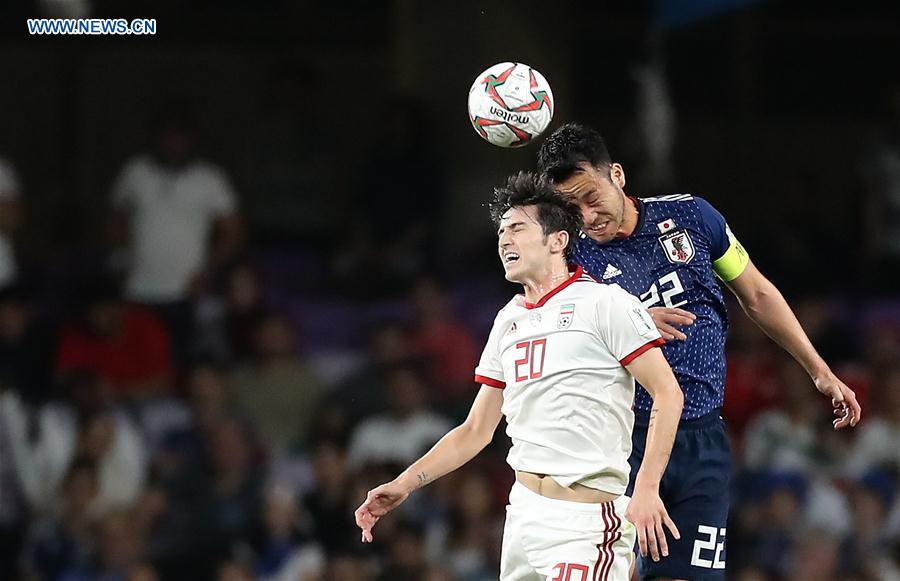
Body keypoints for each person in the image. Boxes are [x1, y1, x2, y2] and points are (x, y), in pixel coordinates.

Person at [537, 122, 862, 580]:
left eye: (592, 198)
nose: (588, 217)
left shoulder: (694, 218)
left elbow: (757, 295)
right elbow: (549, 341)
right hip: (619, 443)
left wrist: (819, 370)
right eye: (572, 208)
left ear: (618, 175)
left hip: (702, 442)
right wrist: (625, 323)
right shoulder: (569, 260)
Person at [355, 172, 684, 580]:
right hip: (524, 517)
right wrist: (404, 484)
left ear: (557, 240)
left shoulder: (606, 304)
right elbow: (476, 430)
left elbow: (668, 394)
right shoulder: (507, 321)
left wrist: (647, 488)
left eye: (517, 228)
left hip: (586, 524)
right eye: (501, 231)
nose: (504, 239)